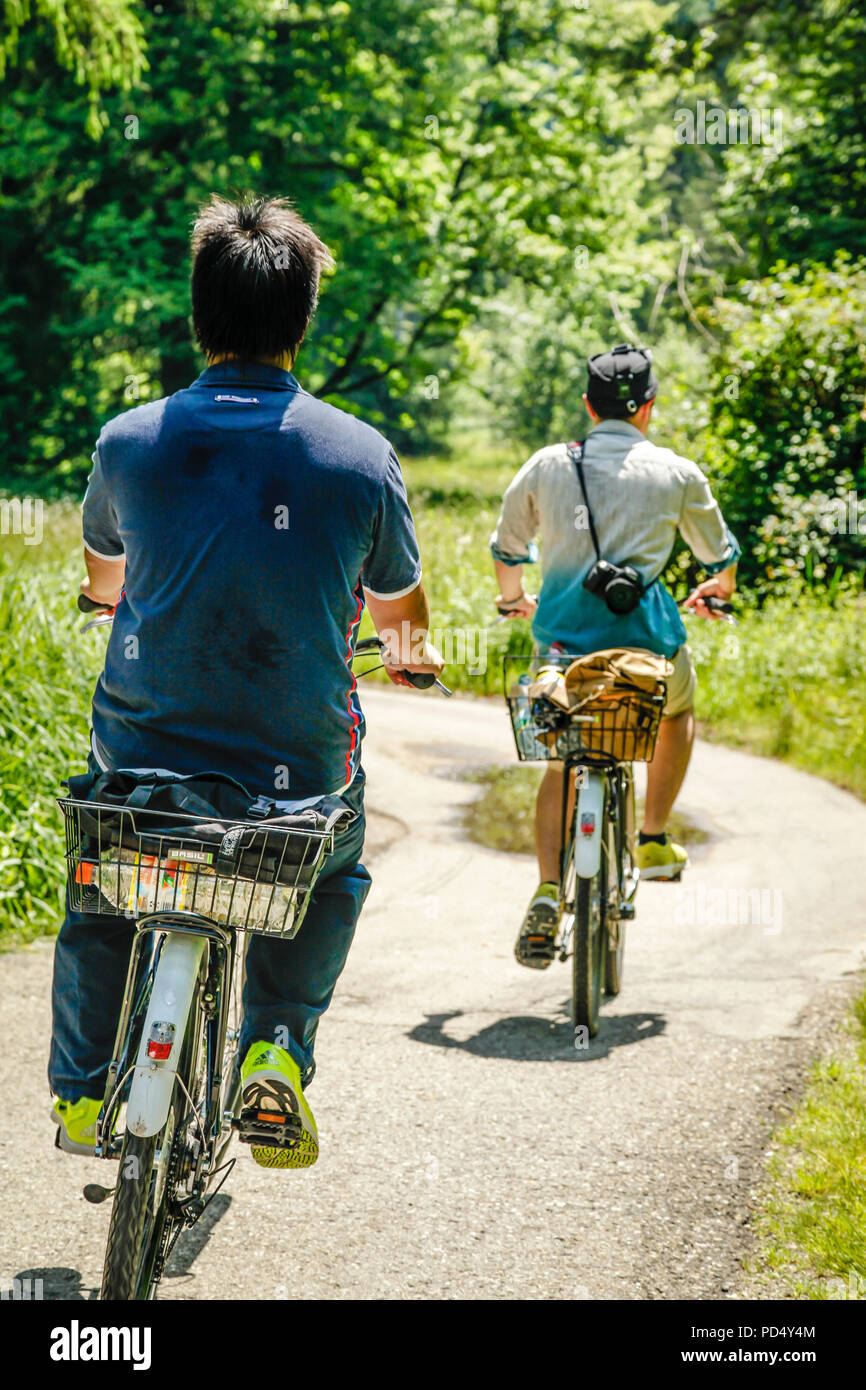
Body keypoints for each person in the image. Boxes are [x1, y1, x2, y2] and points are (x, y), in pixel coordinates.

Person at [50, 195, 443, 1168]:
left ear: (199, 312)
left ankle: (79, 1090)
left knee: (102, 880)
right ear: (302, 317)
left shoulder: (127, 440)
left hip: (143, 749)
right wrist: (409, 656)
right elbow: (401, 615)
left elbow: (107, 577)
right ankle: (275, 1045)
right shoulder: (360, 455)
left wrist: (117, 601)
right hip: (295, 763)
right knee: (335, 860)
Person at [489, 343, 739, 969]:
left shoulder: (549, 465)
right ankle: (652, 837)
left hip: (563, 655)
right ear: (649, 408)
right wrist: (717, 592)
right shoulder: (677, 474)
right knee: (679, 711)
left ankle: (550, 886)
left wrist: (514, 599)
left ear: (587, 405)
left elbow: (507, 547)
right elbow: (720, 560)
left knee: (560, 762)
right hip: (648, 655)